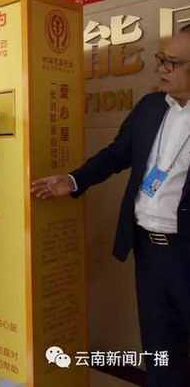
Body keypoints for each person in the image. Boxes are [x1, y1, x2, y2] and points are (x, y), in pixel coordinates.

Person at [31, 25, 190, 387]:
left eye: (173, 63)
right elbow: (117, 154)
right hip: (149, 249)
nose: (162, 69)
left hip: (186, 249)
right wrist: (74, 180)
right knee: (160, 346)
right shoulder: (151, 107)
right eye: (161, 59)